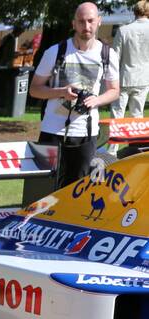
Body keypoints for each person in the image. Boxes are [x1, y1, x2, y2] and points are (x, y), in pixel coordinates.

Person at [29, 3, 120, 187]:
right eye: (81, 22)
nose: (86, 27)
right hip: (53, 130)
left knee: (80, 189)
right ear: (73, 24)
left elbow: (114, 90)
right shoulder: (55, 52)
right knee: (44, 188)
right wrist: (61, 92)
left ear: (99, 22)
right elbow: (34, 89)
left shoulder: (107, 54)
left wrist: (97, 100)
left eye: (90, 21)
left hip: (86, 132)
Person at [113, 1, 149, 119]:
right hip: (143, 78)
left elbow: (115, 57)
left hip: (123, 77)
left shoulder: (123, 30)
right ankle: (137, 138)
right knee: (137, 115)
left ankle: (115, 138)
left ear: (134, 11)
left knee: (117, 114)